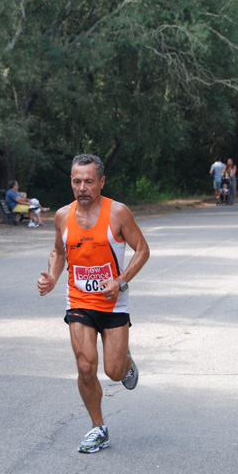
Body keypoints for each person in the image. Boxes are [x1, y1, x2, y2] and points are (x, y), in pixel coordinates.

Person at [37, 153, 150, 453]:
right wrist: (51, 276)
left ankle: (125, 362)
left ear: (101, 182)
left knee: (113, 371)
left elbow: (142, 250)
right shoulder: (63, 215)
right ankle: (98, 427)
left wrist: (121, 280)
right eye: (77, 181)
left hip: (113, 302)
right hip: (79, 300)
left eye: (89, 181)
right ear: (71, 183)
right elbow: (59, 252)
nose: (82, 187)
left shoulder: (118, 213)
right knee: (85, 365)